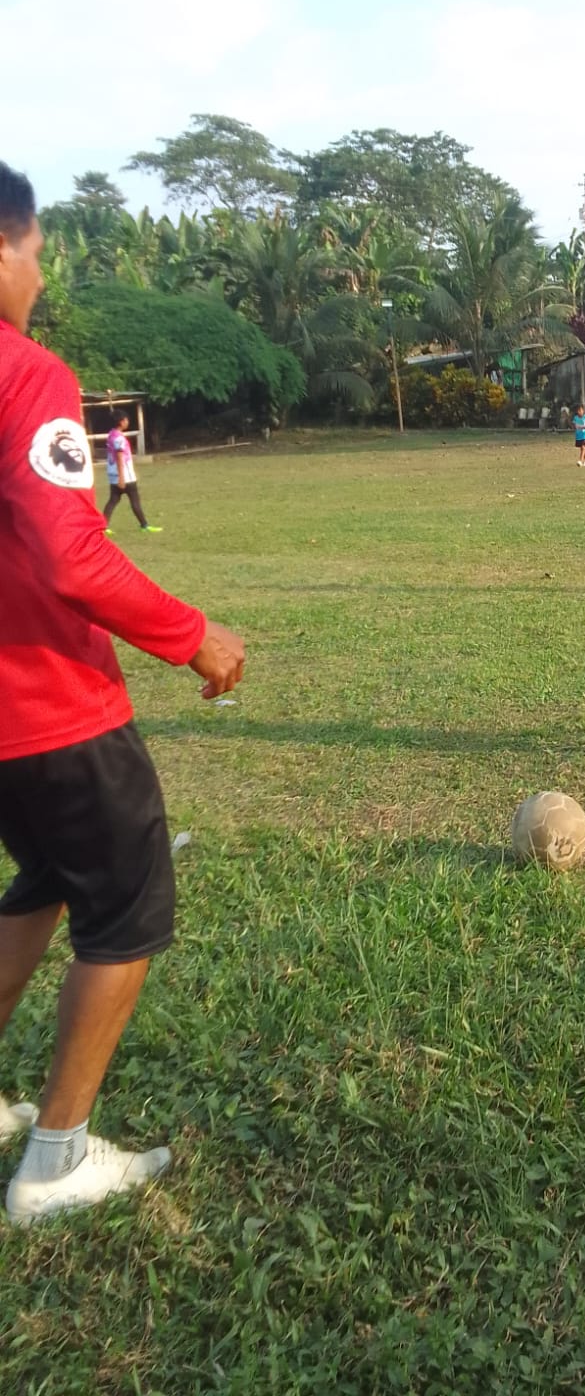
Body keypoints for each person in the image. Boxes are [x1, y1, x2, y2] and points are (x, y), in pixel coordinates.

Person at [0, 162, 245, 1223]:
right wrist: (193, 636)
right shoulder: (26, 374)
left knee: (43, 881)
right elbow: (69, 552)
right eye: (35, 255)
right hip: (50, 706)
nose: (40, 278)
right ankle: (55, 1160)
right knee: (127, 908)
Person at [103, 413, 159, 533]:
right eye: (126, 420)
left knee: (113, 500)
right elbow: (119, 457)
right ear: (121, 422)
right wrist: (122, 477)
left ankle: (103, 526)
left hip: (113, 474)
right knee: (134, 500)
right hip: (124, 475)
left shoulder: (111, 434)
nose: (127, 422)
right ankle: (144, 525)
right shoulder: (119, 438)